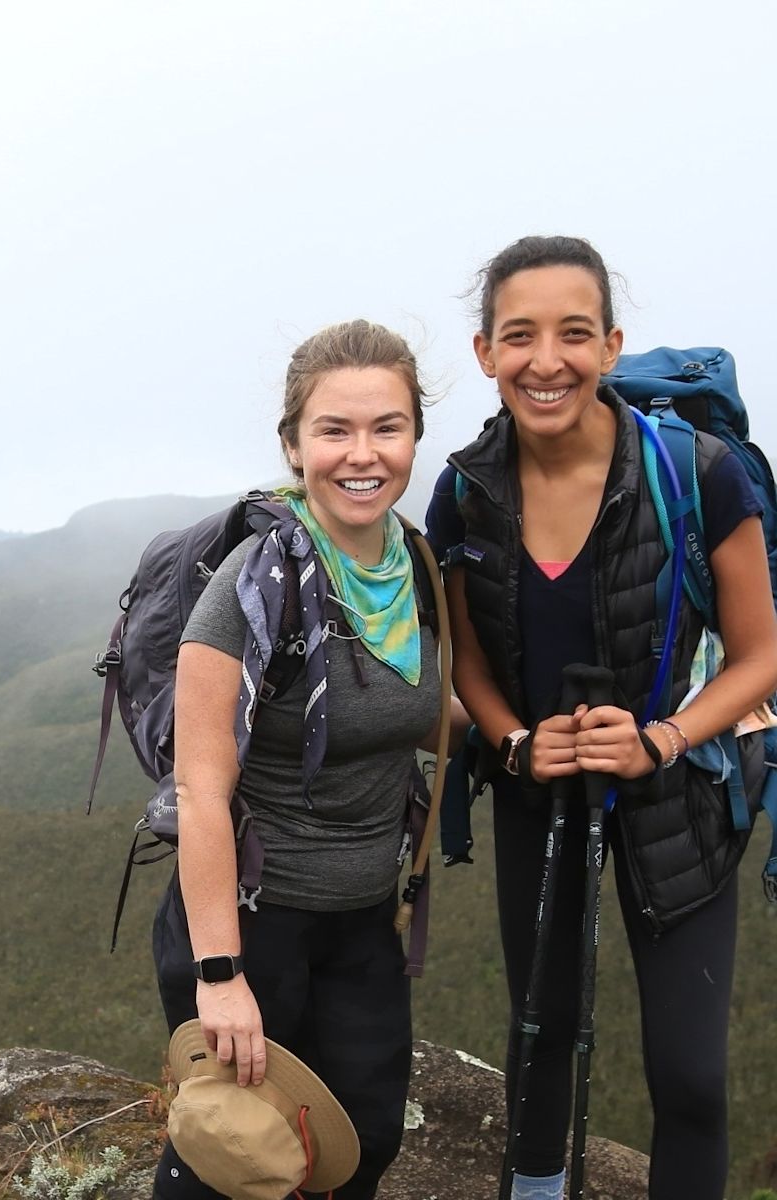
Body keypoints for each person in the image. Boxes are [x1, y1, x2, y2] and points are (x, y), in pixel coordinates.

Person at [426, 235, 777, 1200]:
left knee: (692, 1079)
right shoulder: (465, 495)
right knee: (538, 1048)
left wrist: (663, 736)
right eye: (520, 335)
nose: (548, 361)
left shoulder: (698, 474)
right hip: (540, 794)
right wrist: (514, 742)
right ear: (484, 351)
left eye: (574, 333)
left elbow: (760, 655)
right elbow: (469, 665)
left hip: (681, 795)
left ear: (612, 345)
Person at [151, 319, 446, 1199]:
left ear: (415, 438)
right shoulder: (249, 591)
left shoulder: (419, 571)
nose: (363, 454)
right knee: (234, 1160)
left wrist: (522, 738)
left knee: (360, 1144)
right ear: (293, 444)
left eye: (386, 428)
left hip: (364, 918)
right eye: (335, 430)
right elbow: (201, 788)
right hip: (254, 921)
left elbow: (420, 710)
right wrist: (222, 976)